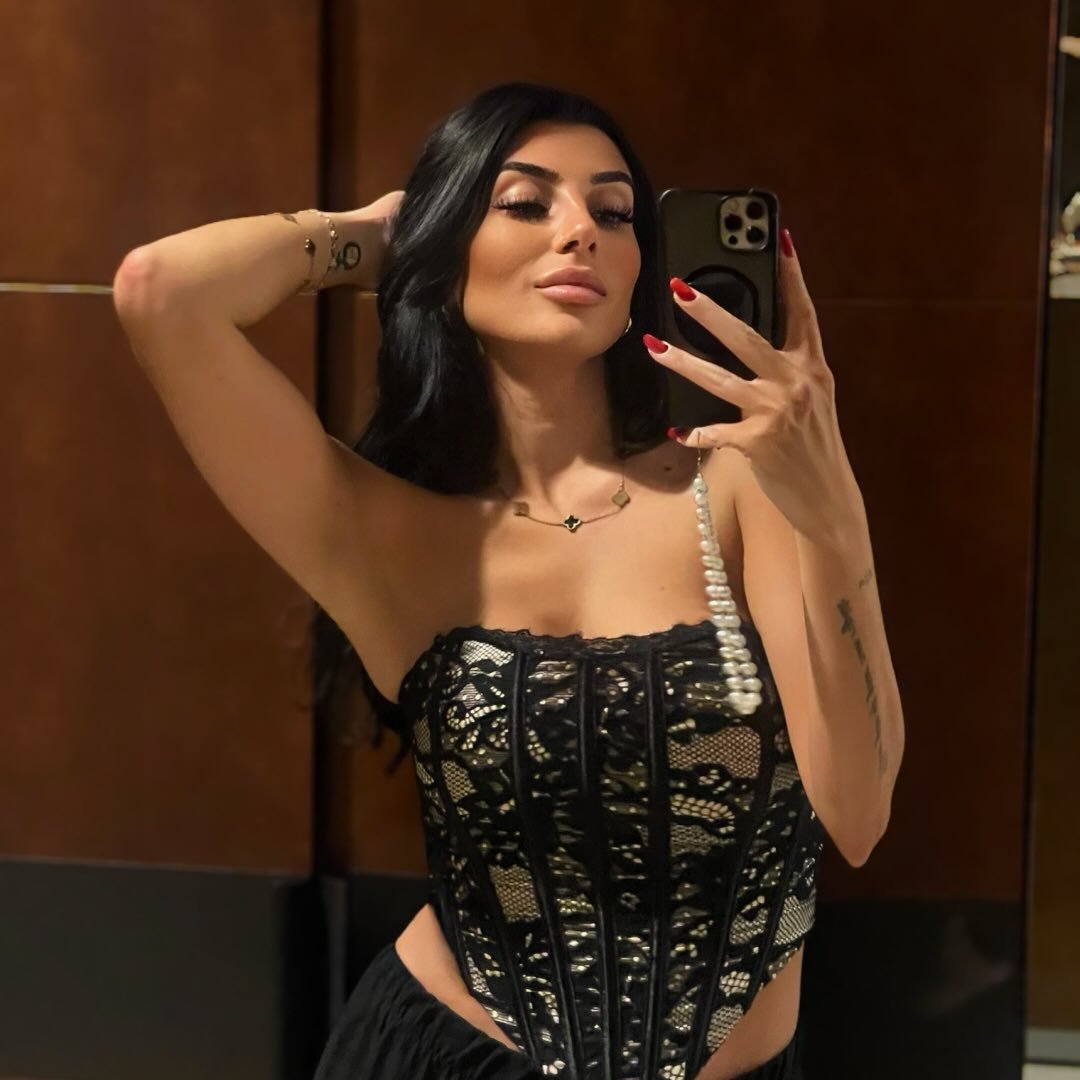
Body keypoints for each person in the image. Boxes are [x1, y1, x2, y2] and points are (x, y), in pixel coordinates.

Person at [112, 80, 902, 1080]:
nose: (580, 231)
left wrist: (832, 508)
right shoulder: (385, 534)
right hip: (447, 1054)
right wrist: (378, 237)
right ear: (450, 245)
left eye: (615, 211)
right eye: (525, 202)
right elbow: (161, 290)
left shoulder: (741, 482)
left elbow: (859, 814)